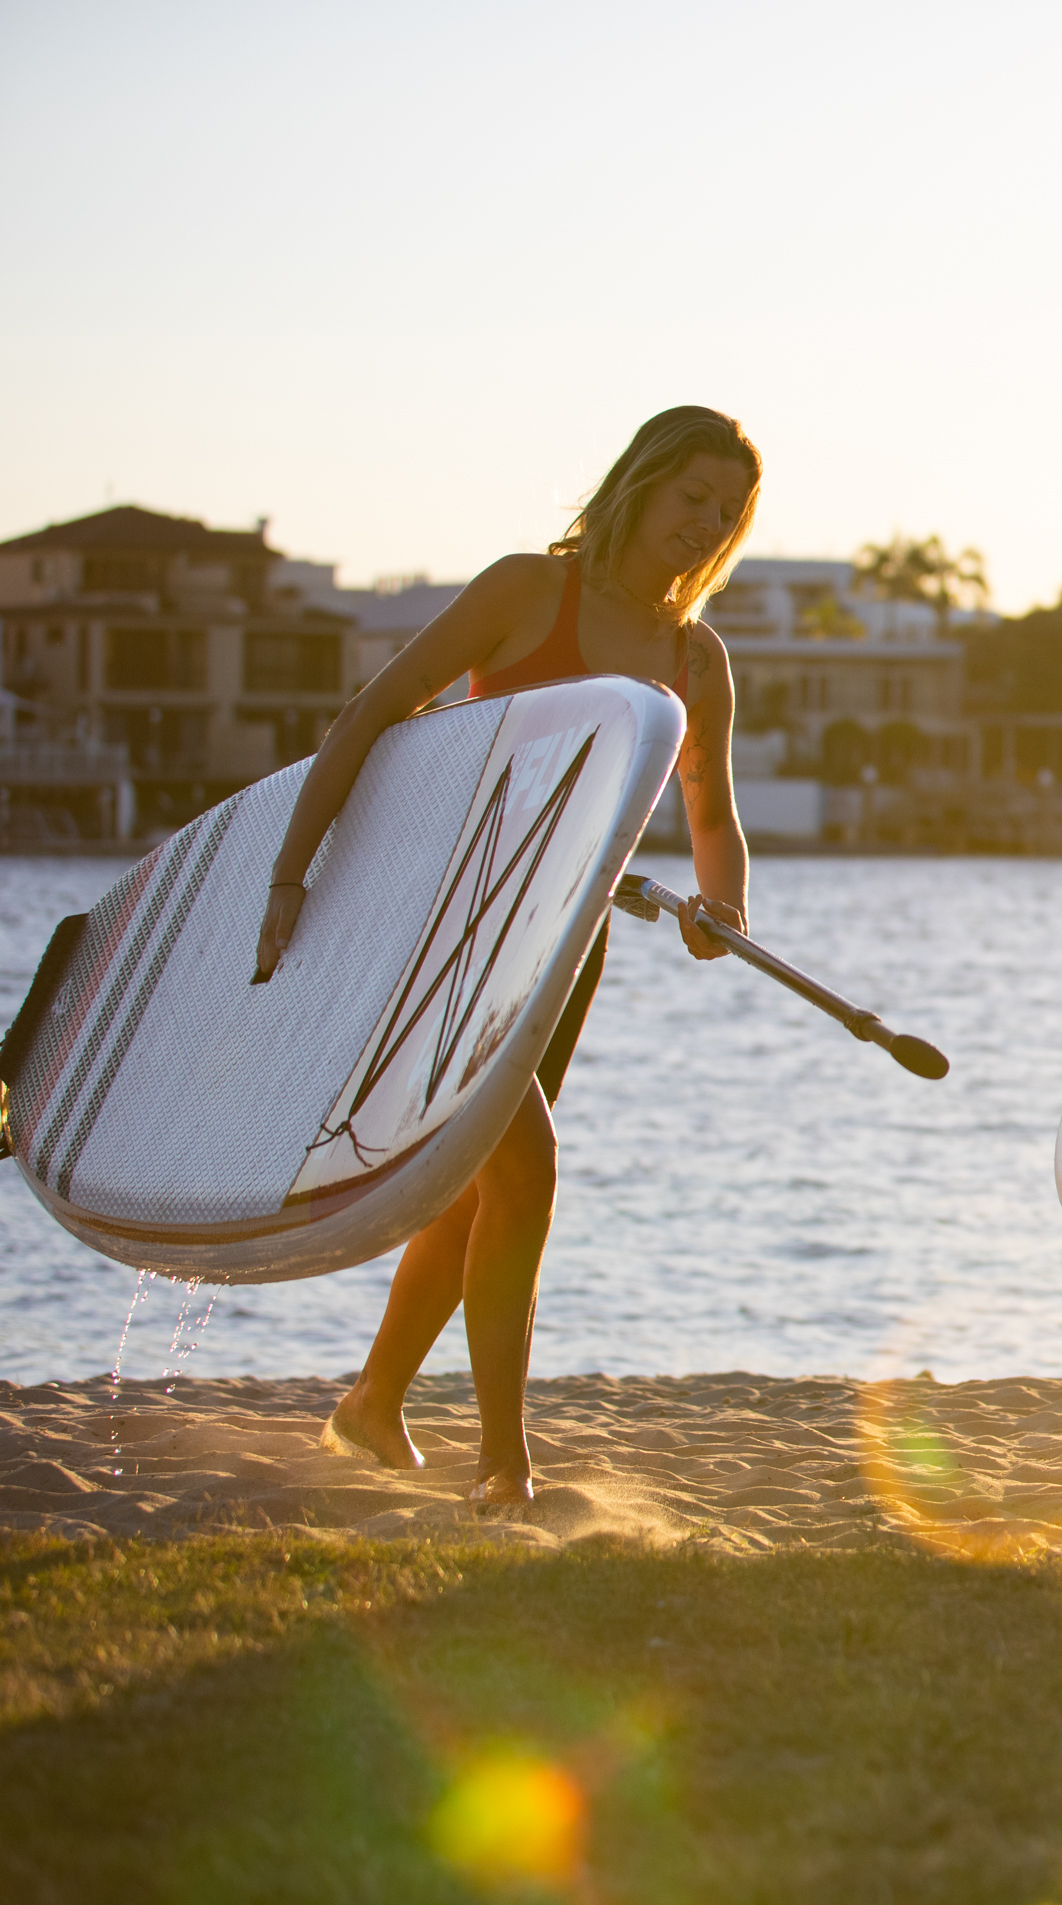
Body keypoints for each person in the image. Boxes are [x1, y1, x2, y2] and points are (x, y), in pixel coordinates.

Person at [253, 406, 760, 1503]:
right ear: (640, 482)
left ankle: (371, 1404)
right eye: (692, 499)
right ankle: (504, 1462)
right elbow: (375, 710)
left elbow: (711, 814)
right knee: (523, 1168)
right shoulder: (531, 590)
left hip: (560, 955)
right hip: (443, 935)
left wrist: (721, 909)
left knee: (471, 1190)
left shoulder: (694, 656)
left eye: (728, 512)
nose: (706, 525)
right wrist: (291, 872)